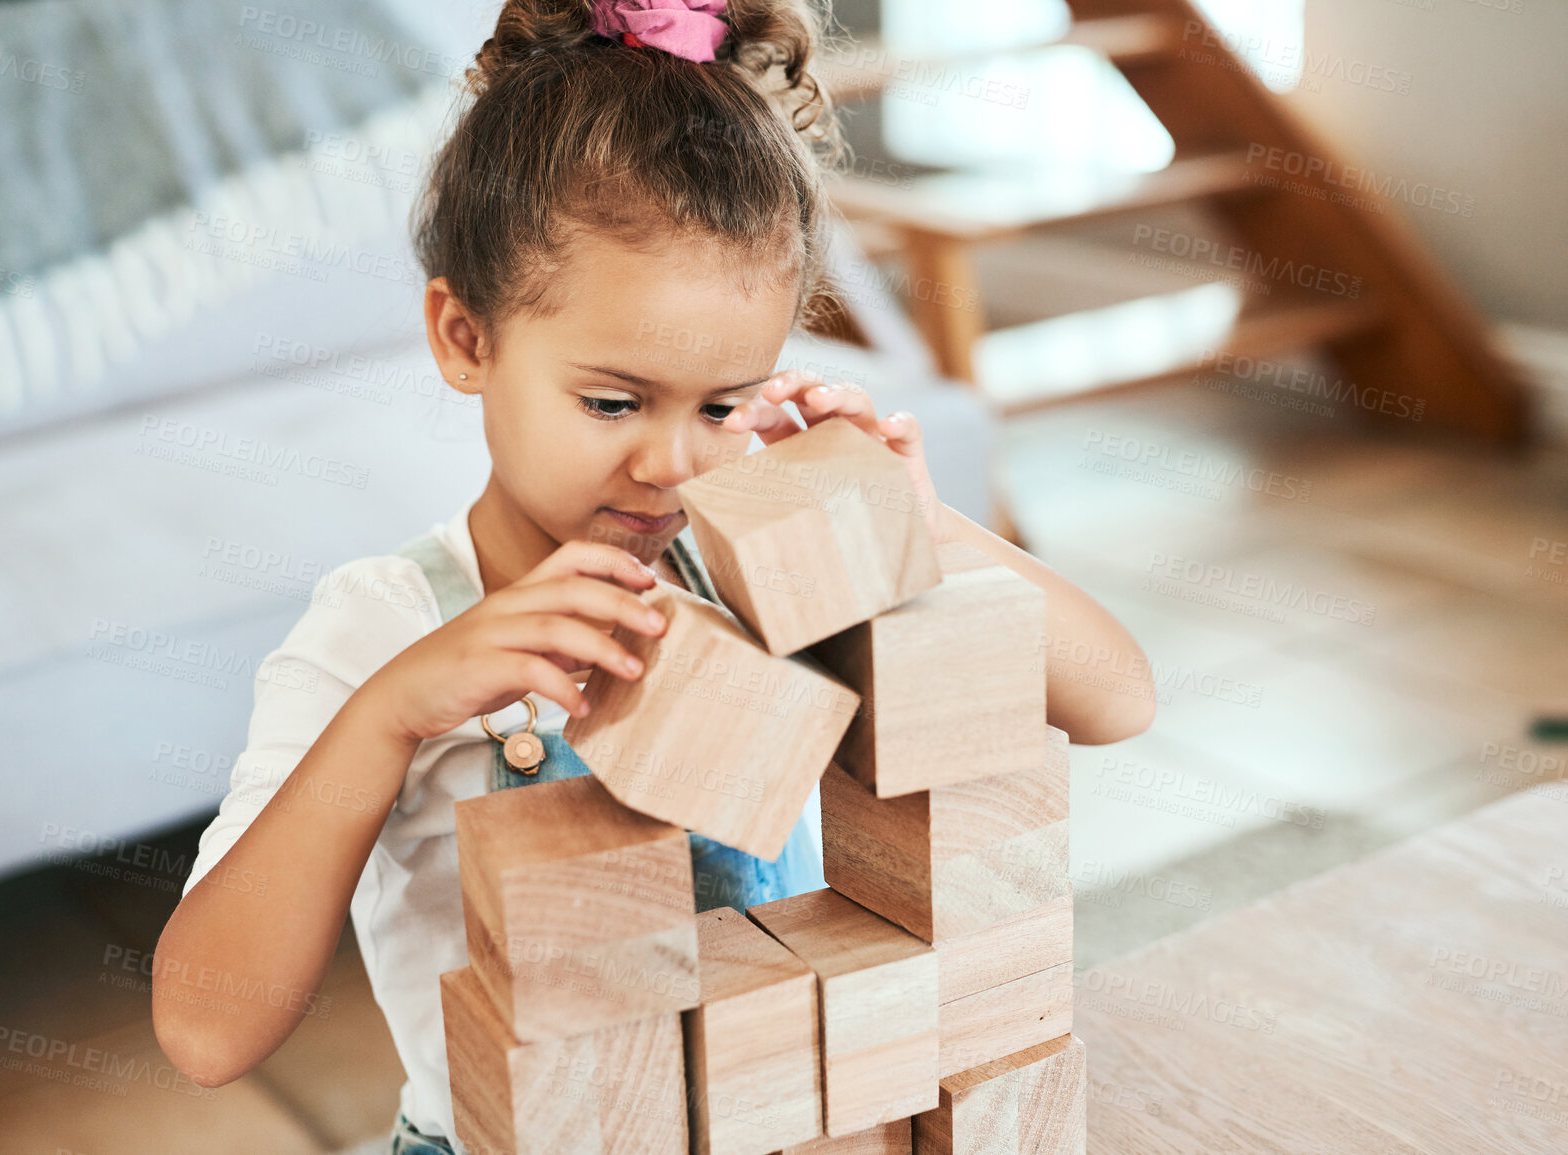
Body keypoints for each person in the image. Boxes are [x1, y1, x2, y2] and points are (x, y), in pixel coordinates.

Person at [151, 0, 1157, 1150]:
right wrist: (390, 716)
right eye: (613, 402)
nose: (672, 461)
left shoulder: (757, 570)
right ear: (465, 339)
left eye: (723, 405)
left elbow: (1118, 700)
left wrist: (916, 528)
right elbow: (205, 1032)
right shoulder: (382, 630)